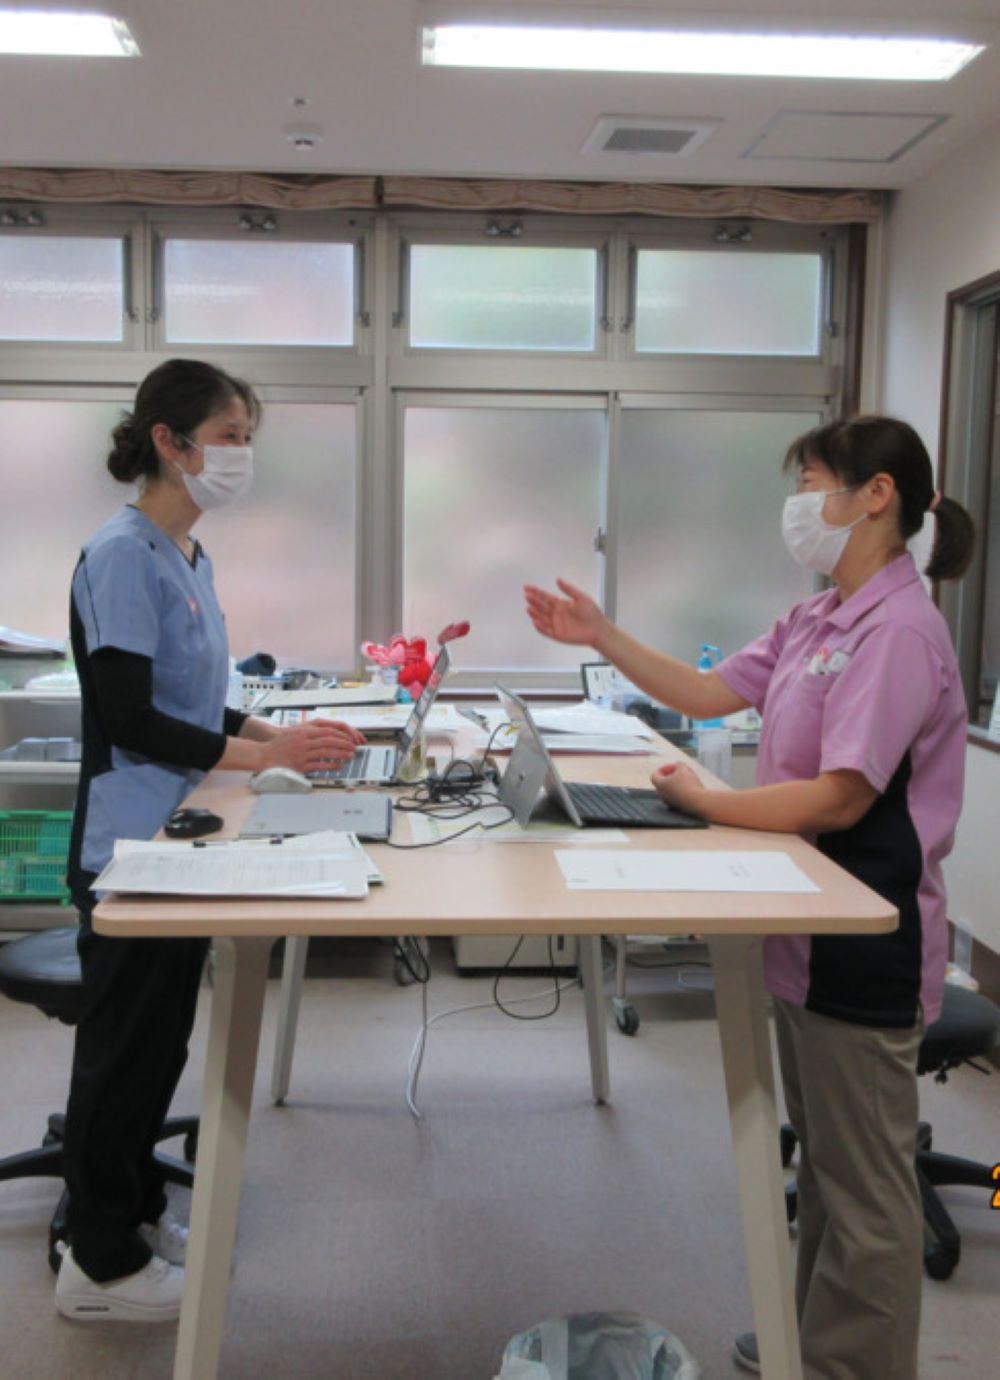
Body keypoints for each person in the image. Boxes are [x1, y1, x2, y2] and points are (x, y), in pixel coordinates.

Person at [524, 415, 975, 1380]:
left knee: (865, 1192)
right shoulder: (822, 617)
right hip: (802, 928)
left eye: (811, 479)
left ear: (875, 496)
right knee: (822, 1166)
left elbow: (841, 795)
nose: (798, 503)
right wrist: (600, 634)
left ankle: (855, 1366)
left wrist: (712, 803)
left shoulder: (899, 631)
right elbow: (702, 693)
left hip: (864, 937)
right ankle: (808, 1342)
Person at [56, 358, 364, 1323]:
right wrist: (247, 751)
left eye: (245, 439)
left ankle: (134, 1210)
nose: (243, 456)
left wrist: (267, 737)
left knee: (158, 1046)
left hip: (181, 835)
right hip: (128, 845)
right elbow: (130, 714)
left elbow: (192, 696)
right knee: (122, 1055)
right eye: (231, 436)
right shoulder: (119, 552)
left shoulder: (186, 557)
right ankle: (95, 1268)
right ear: (170, 441)